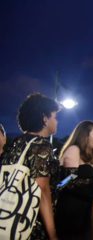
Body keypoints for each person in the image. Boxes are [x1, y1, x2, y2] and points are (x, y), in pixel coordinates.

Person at [1, 93, 59, 239]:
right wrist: (52, 234)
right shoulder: (41, 146)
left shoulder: (16, 143)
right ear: (45, 119)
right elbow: (42, 191)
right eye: (54, 116)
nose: (57, 121)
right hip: (28, 224)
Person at [55, 120, 93, 239]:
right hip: (70, 217)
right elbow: (64, 183)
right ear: (85, 135)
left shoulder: (83, 158)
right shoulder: (73, 149)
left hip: (81, 215)